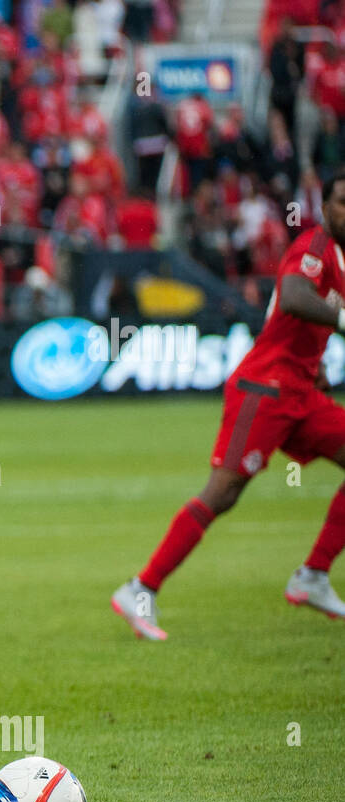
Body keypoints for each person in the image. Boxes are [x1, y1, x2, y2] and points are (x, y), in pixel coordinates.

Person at [112, 171, 345, 640]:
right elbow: (297, 297)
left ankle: (313, 575)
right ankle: (140, 588)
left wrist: (314, 364)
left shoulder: (338, 257)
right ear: (325, 207)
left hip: (298, 390)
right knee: (223, 493)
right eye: (342, 202)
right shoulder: (314, 249)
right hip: (264, 390)